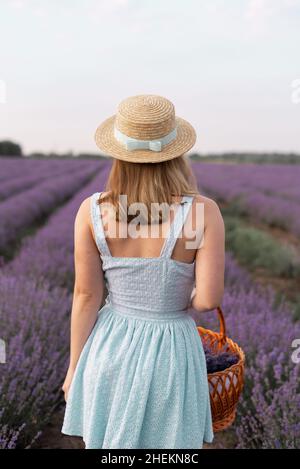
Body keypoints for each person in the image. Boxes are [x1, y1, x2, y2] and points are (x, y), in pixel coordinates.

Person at [61, 94, 225, 449]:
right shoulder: (202, 212)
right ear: (176, 153)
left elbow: (86, 296)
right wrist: (174, 290)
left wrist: (75, 367)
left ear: (118, 154)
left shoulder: (91, 211)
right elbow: (208, 299)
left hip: (109, 347)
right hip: (171, 350)